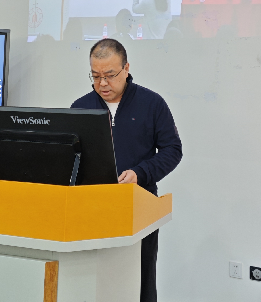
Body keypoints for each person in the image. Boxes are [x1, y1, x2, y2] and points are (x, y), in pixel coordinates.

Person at [72, 39, 182, 302]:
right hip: (92, 210)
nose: (102, 83)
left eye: (110, 75)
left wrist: (140, 173)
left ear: (126, 68)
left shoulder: (151, 103)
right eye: (95, 76)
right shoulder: (80, 108)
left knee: (140, 282)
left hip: (139, 209)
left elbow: (172, 150)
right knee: (94, 284)